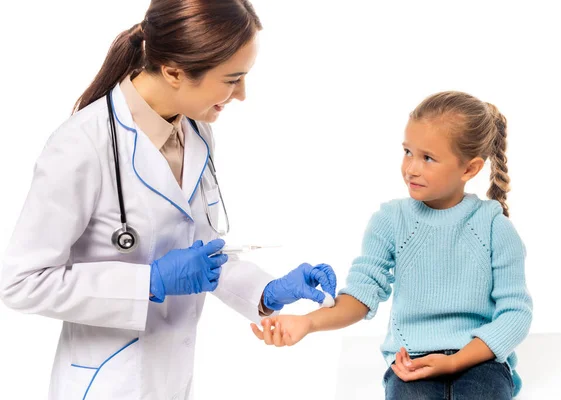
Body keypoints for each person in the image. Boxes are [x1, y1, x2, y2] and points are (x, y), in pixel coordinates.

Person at [0, 1, 337, 399]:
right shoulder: (81, 146)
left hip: (172, 379)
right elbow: (20, 282)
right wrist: (150, 282)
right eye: (233, 79)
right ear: (175, 72)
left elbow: (199, 255)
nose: (243, 95)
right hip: (105, 384)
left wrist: (266, 291)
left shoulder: (194, 130)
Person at [251, 91, 533, 399]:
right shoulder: (391, 221)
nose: (411, 168)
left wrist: (454, 362)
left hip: (482, 360)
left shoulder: (495, 228)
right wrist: (307, 323)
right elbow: (361, 295)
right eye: (408, 152)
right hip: (411, 360)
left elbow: (515, 313)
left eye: (427, 158)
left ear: (469, 169)